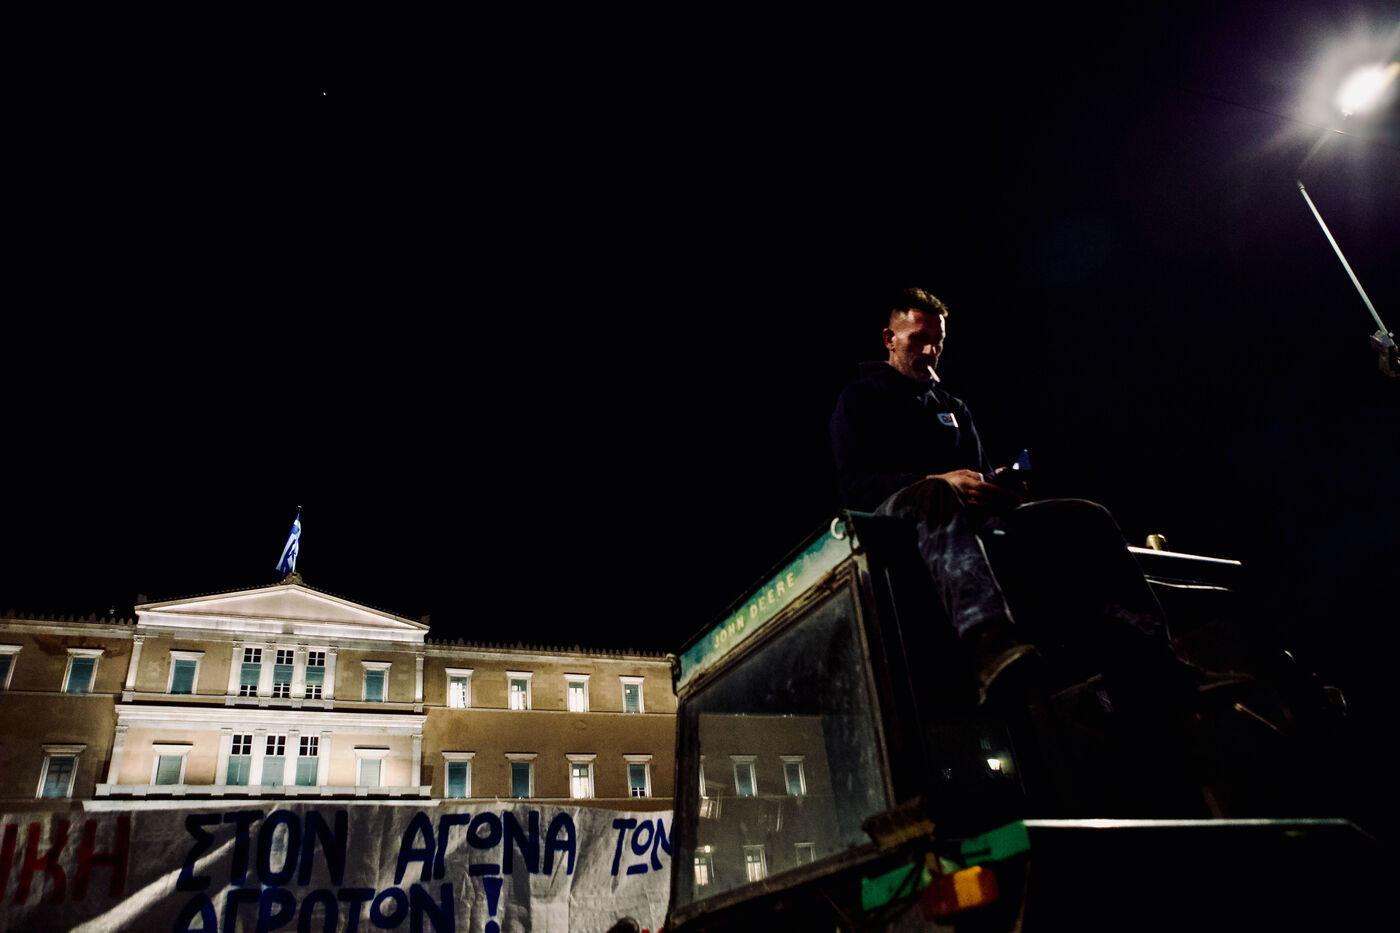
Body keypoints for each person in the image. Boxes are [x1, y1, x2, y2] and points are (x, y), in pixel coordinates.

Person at [830, 288, 1174, 706]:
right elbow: (857, 486)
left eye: (938, 341)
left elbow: (978, 471)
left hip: (965, 517)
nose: (931, 350)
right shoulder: (861, 398)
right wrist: (941, 481)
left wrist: (1001, 488)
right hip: (896, 518)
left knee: (1086, 515)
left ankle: (1159, 660)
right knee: (935, 492)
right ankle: (990, 647)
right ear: (890, 338)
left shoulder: (953, 407)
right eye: (918, 339)